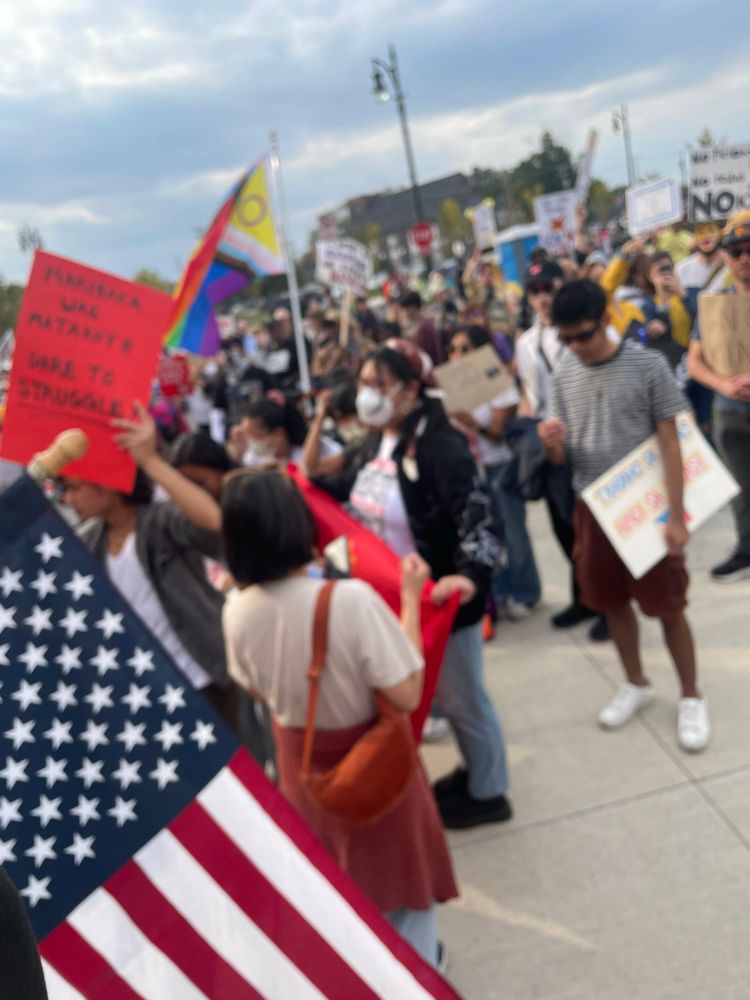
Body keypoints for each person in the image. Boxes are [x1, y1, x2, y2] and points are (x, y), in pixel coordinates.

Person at [221, 469, 458, 965]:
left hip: (304, 774)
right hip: (377, 771)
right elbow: (408, 690)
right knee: (406, 909)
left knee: (345, 911)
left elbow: (255, 689)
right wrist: (411, 599)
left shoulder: (236, 611)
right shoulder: (348, 601)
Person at [303, 340, 512, 829]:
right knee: (435, 697)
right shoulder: (379, 440)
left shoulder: (441, 444)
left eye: (379, 385)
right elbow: (327, 481)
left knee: (464, 697)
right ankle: (475, 772)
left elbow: (479, 517)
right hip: (395, 602)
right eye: (363, 385)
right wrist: (315, 423)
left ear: (411, 388)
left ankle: (490, 791)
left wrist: (468, 575)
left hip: (441, 599)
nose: (368, 396)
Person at [539, 280, 710, 751]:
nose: (576, 346)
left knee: (668, 605)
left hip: (645, 504)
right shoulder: (564, 373)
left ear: (607, 318)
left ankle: (691, 695)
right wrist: (551, 444)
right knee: (610, 601)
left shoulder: (647, 365)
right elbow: (561, 458)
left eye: (585, 335)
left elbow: (672, 441)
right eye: (567, 339)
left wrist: (676, 516)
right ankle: (635, 681)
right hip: (592, 506)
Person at [62, 402, 240, 732]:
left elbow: (212, 523)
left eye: (74, 488)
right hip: (154, 692)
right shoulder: (90, 544)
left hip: (205, 675)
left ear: (109, 484)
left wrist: (150, 460)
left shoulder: (159, 521)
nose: (68, 501)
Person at [516, 264, 608, 642]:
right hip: (552, 441)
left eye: (548, 287)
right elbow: (531, 393)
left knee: (593, 528)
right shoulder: (526, 343)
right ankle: (584, 597)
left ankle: (607, 602)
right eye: (534, 290)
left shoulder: (583, 330)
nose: (542, 296)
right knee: (563, 526)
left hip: (587, 436)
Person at [447, 324, 541, 619]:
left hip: (499, 467)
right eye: (453, 349)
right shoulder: (449, 387)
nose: (458, 355)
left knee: (513, 532)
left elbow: (498, 433)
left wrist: (473, 424)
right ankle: (496, 593)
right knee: (487, 536)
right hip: (472, 471)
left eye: (465, 348)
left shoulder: (496, 381)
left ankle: (525, 592)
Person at [687, 209, 750, 583]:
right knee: (741, 487)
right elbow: (695, 361)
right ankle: (746, 549)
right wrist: (723, 384)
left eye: (749, 249)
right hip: (730, 408)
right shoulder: (713, 304)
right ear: (725, 256)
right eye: (736, 251)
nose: (744, 259)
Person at [228, 392, 341, 470]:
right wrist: (238, 455)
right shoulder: (256, 457)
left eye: (254, 436)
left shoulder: (317, 450)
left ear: (278, 434)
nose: (251, 442)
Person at [635, 251, 695, 380]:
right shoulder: (647, 306)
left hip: (695, 364)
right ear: (650, 276)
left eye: (669, 268)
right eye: (660, 270)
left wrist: (682, 295)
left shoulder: (690, 294)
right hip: (670, 370)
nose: (666, 274)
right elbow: (652, 335)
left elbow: (701, 320)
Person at [398, 290, 445, 366]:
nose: (404, 312)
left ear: (412, 307)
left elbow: (423, 354)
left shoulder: (423, 328)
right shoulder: (424, 323)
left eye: (405, 309)